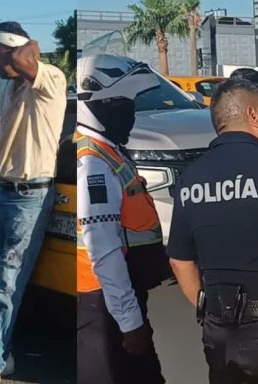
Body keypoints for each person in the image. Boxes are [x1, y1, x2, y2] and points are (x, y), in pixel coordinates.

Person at [167, 78, 258, 383]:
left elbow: (180, 261)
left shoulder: (190, 179)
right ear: (254, 115)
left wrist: (210, 308)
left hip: (219, 332)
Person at [0, 21, 67, 384]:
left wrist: (21, 44)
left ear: (12, 50)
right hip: (0, 191)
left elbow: (26, 52)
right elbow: (16, 57)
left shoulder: (49, 80)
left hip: (29, 197)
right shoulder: (10, 91)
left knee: (6, 283)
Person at [76, 54, 169, 384]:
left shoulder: (106, 150)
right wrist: (130, 323)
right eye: (124, 102)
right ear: (102, 104)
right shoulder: (93, 164)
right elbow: (104, 251)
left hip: (113, 298)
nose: (130, 111)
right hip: (102, 303)